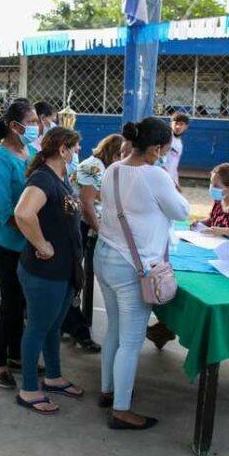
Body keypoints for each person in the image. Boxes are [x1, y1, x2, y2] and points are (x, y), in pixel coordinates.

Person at [95, 117, 190, 430]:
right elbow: (182, 211)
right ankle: (121, 410)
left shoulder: (112, 169)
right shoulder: (155, 175)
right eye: (163, 150)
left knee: (115, 331)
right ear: (155, 149)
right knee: (131, 341)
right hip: (133, 268)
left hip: (105, 256)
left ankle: (108, 390)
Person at [13, 127, 86, 414]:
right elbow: (23, 213)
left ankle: (53, 376)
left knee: (54, 326)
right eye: (75, 147)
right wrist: (42, 244)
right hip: (45, 272)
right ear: (62, 150)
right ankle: (29, 388)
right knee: (38, 328)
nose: (78, 151)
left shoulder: (60, 177)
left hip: (64, 269)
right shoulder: (42, 177)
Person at [0, 100, 40, 389]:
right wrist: (38, 235)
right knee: (10, 302)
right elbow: (4, 210)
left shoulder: (28, 152)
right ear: (15, 126)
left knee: (22, 300)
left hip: (27, 239)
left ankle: (16, 354)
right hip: (7, 241)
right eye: (30, 122)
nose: (35, 127)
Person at [66, 133, 125, 352]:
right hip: (78, 226)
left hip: (86, 224)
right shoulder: (93, 167)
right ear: (114, 152)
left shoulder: (103, 167)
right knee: (75, 279)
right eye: (122, 155)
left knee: (78, 280)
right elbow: (87, 204)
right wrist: (101, 230)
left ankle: (75, 326)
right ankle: (79, 330)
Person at [157, 113, 189, 186]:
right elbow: (159, 160)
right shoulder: (166, 138)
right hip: (161, 178)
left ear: (186, 127)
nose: (178, 127)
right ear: (171, 124)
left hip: (170, 180)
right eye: (176, 123)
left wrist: (176, 182)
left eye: (181, 124)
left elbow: (174, 165)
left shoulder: (179, 143)